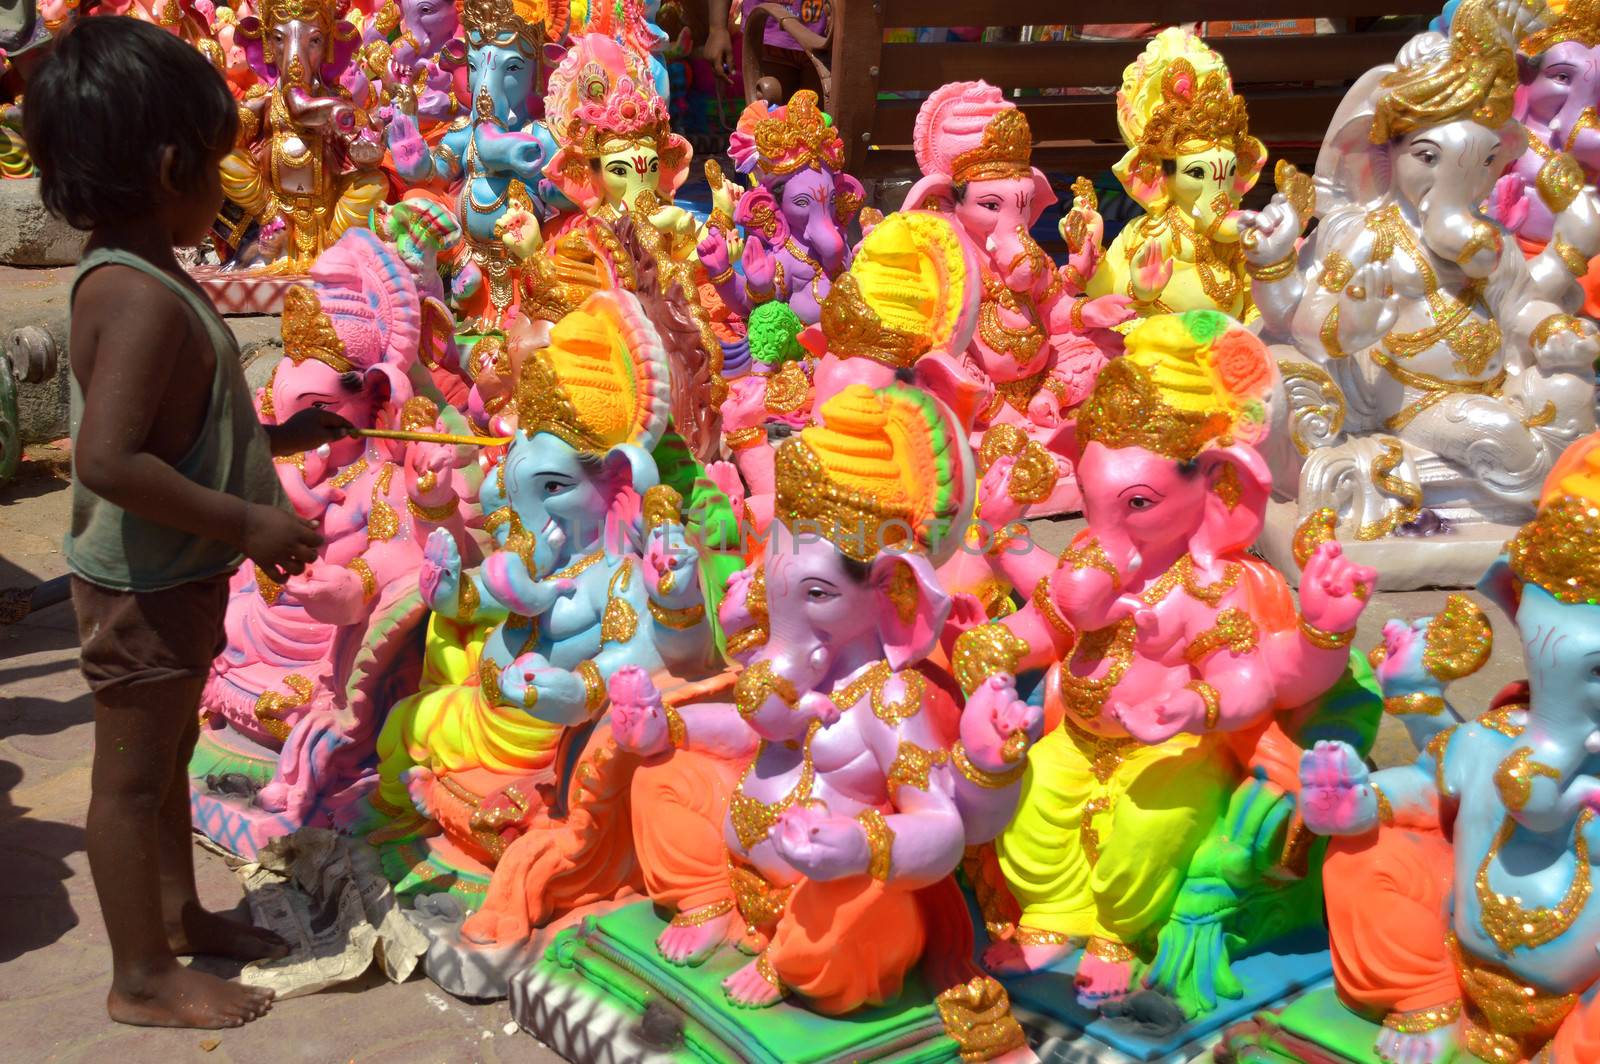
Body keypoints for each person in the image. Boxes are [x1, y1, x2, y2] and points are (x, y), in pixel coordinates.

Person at [23, 18, 353, 1029]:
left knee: (164, 761)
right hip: (141, 587)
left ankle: (177, 915)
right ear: (171, 167)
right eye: (219, 165)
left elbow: (175, 422)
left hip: (166, 576)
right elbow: (111, 458)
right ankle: (139, 977)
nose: (229, 188)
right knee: (128, 784)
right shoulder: (141, 299)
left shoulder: (134, 278)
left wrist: (283, 433)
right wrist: (251, 521)